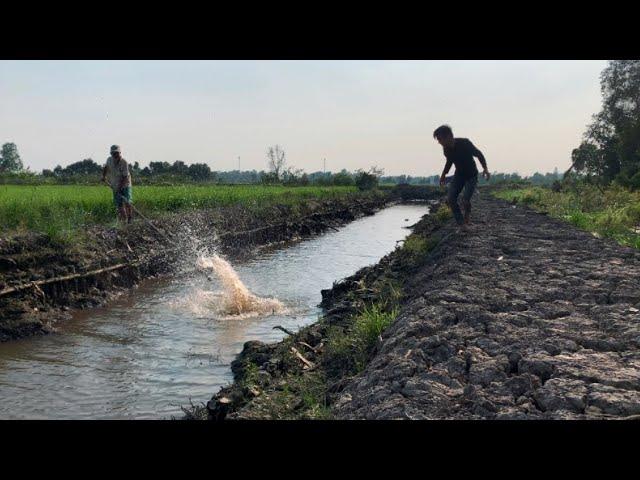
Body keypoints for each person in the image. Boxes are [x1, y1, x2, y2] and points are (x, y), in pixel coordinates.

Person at [434, 125, 490, 228]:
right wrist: (443, 174)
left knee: (465, 199)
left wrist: (485, 169)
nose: (439, 142)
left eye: (440, 139)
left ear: (448, 136)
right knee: (451, 198)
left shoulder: (465, 143)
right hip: (459, 175)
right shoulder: (446, 150)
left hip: (471, 175)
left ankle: (467, 218)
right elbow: (449, 161)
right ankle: (461, 224)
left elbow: (479, 154)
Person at [102, 145, 133, 224]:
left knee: (127, 202)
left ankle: (129, 218)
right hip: (115, 184)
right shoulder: (109, 160)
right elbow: (106, 167)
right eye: (113, 153)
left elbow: (125, 177)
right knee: (119, 204)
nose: (115, 155)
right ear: (111, 154)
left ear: (120, 153)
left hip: (126, 184)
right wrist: (104, 176)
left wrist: (120, 187)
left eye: (116, 153)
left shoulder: (124, 162)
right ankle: (124, 220)